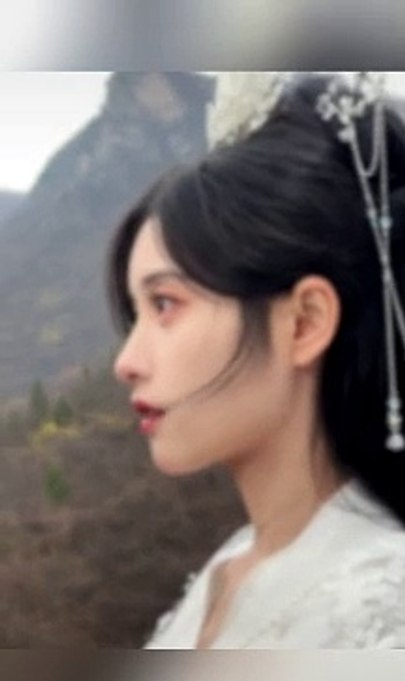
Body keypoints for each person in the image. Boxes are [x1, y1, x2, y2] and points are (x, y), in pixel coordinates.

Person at [106, 72, 405, 648]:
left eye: (165, 304)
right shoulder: (227, 568)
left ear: (305, 322)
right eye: (135, 313)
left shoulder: (382, 610)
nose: (126, 361)